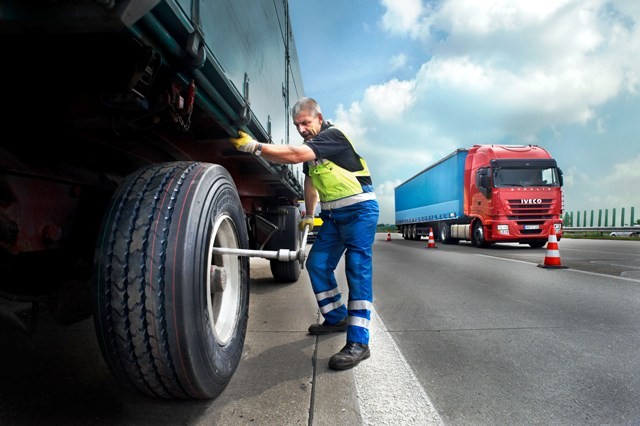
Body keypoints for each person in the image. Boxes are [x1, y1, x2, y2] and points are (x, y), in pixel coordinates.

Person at [229, 97, 379, 370]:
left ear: (319, 118)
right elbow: (310, 183)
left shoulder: (333, 136)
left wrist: (256, 147)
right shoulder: (313, 153)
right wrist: (309, 214)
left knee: (357, 269)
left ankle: (359, 342)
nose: (301, 129)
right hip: (333, 216)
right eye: (297, 125)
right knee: (316, 264)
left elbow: (296, 154)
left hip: (359, 211)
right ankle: (336, 317)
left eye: (305, 123)